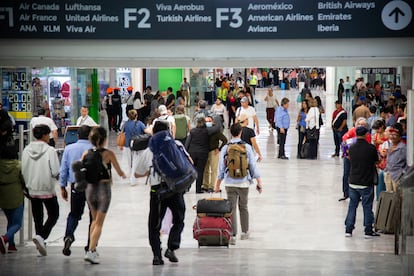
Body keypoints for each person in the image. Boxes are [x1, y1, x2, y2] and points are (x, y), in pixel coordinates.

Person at [134, 121, 191, 265]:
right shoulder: (177, 145)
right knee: (179, 219)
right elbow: (189, 162)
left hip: (157, 191)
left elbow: (137, 172)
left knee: (154, 224)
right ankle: (171, 247)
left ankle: (157, 256)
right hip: (175, 189)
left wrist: (151, 171)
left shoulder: (150, 150)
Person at [214, 123, 263, 245]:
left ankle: (232, 235)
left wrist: (217, 184)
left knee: (231, 209)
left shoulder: (226, 148)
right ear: (240, 133)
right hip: (244, 182)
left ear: (230, 133)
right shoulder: (246, 147)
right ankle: (245, 232)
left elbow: (221, 167)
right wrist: (259, 182)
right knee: (243, 207)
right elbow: (252, 166)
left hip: (230, 182)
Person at [84, 127, 126, 264]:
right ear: (104, 139)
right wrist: (123, 175)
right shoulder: (108, 154)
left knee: (94, 220)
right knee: (99, 223)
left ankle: (92, 249)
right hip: (103, 189)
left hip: (89, 189)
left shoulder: (86, 153)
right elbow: (119, 171)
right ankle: (90, 251)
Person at [22, 124, 60, 256]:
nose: (49, 137)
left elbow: (23, 168)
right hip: (47, 188)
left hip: (32, 188)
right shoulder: (50, 151)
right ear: (44, 135)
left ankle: (40, 246)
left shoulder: (26, 150)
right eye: (48, 134)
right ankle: (41, 237)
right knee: (54, 214)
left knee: (37, 218)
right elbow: (55, 170)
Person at [59, 125, 93, 256]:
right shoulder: (94, 149)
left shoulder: (69, 148)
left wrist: (63, 186)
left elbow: (63, 170)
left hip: (76, 185)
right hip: (92, 187)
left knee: (74, 214)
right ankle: (90, 246)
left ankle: (68, 236)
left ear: (78, 136)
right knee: (93, 217)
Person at [344, 125, 379, 238]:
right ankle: (368, 230)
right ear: (366, 135)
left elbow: (348, 158)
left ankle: (348, 229)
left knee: (352, 206)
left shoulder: (351, 148)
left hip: (353, 181)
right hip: (366, 182)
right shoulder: (371, 148)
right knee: (367, 206)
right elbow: (376, 162)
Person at [0, 143, 25, 254]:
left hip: (3, 195)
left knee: (10, 221)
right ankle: (4, 239)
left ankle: (12, 245)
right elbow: (24, 180)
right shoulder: (19, 165)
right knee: (17, 223)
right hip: (16, 195)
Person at [185, 116, 221, 193]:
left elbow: (187, 143)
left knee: (190, 171)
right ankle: (198, 189)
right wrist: (216, 120)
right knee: (200, 171)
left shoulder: (193, 131)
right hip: (203, 153)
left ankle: (187, 187)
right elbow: (217, 128)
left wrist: (186, 154)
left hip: (192, 153)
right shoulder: (207, 131)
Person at [339, 117, 372, 201]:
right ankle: (346, 193)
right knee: (346, 174)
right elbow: (344, 139)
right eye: (359, 124)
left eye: (363, 125)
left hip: (360, 158)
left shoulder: (367, 135)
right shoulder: (352, 131)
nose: (361, 126)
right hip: (349, 156)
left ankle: (358, 194)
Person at [202, 115, 228, 192]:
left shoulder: (216, 131)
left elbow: (225, 140)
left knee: (213, 169)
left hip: (214, 152)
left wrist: (219, 149)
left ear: (213, 122)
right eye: (206, 121)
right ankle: (205, 185)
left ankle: (212, 186)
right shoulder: (203, 131)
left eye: (209, 121)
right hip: (205, 151)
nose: (208, 123)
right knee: (205, 169)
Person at [122, 109, 146, 185]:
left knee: (130, 163)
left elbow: (122, 132)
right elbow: (146, 131)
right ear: (136, 116)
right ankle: (133, 178)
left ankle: (131, 176)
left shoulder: (125, 124)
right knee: (136, 162)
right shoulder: (140, 123)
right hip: (137, 145)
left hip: (127, 145)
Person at [382, 123, 408, 193]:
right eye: (391, 135)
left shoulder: (403, 148)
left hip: (398, 176)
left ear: (399, 137)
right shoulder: (390, 146)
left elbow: (408, 163)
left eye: (395, 135)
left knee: (398, 197)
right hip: (388, 174)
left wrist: (402, 173)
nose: (392, 137)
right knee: (389, 196)